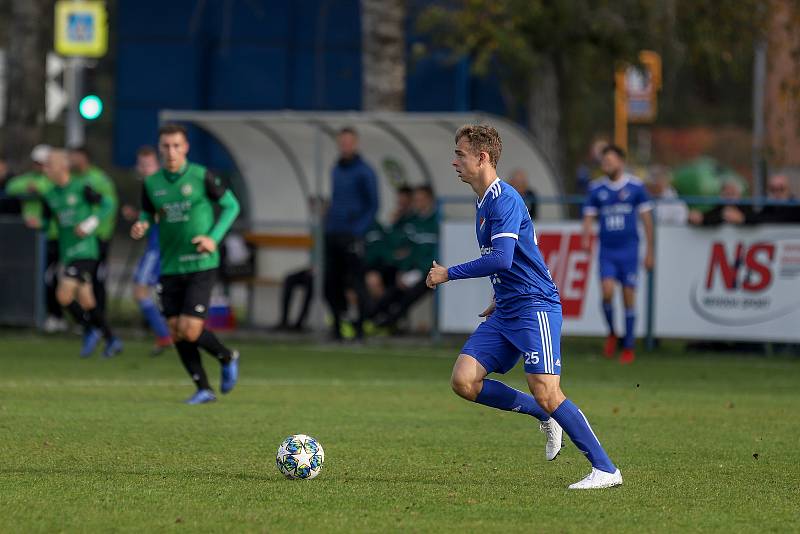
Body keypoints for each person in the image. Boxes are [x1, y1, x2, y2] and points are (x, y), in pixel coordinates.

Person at [427, 124, 622, 490]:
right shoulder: (482, 199)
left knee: (548, 390)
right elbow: (512, 259)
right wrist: (498, 296)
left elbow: (501, 259)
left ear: (482, 157)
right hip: (507, 308)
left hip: (535, 307)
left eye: (460, 154)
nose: (454, 161)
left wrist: (448, 273)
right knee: (464, 381)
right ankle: (543, 416)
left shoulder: (505, 199)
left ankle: (606, 469)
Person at [131, 124, 241, 404]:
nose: (171, 151)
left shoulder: (202, 176)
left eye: (176, 145)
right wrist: (142, 224)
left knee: (190, 328)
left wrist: (213, 238)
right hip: (170, 266)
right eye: (166, 146)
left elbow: (232, 206)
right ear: (160, 148)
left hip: (200, 263)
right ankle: (203, 388)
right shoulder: (152, 183)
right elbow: (147, 211)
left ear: (186, 148)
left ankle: (227, 356)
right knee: (176, 330)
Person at [37, 149, 122, 357]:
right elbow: (47, 222)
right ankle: (111, 339)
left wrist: (90, 223)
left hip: (86, 251)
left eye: (49, 165)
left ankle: (89, 329)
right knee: (87, 301)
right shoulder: (49, 196)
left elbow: (108, 204)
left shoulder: (80, 187)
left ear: (62, 167)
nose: (45, 169)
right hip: (68, 253)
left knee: (63, 295)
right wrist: (39, 224)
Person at [581, 145, 654, 364]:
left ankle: (629, 346)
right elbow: (588, 217)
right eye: (604, 161)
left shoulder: (636, 187)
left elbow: (647, 220)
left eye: (610, 161)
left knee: (629, 297)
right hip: (607, 251)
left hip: (629, 251)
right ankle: (613, 332)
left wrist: (650, 250)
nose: (607, 165)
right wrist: (586, 237)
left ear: (621, 162)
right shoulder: (596, 189)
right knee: (607, 292)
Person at [323, 126, 379, 341]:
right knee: (330, 283)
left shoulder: (365, 170)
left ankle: (361, 328)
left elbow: (373, 205)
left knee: (357, 283)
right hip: (333, 233)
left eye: (348, 142)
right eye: (342, 142)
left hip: (352, 235)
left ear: (355, 144)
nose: (345, 146)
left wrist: (357, 231)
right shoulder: (335, 169)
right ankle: (338, 324)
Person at [5, 144, 67, 333]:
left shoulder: (54, 184)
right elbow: (12, 186)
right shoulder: (30, 180)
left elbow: (50, 192)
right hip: (32, 239)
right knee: (36, 277)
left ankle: (57, 316)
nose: (41, 168)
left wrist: (38, 188)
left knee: (52, 278)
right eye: (39, 164)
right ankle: (37, 315)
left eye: (45, 164)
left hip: (54, 238)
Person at [371, 184, 439, 329]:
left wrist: (419, 272)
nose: (418, 203)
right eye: (416, 200)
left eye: (421, 199)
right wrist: (404, 270)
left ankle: (387, 324)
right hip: (412, 270)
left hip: (430, 271)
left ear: (430, 200)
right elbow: (406, 249)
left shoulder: (438, 221)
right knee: (392, 290)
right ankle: (370, 318)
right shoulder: (412, 222)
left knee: (409, 295)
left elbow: (435, 253)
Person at [129, 146, 172, 354]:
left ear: (157, 164)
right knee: (151, 293)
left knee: (140, 291)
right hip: (156, 247)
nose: (144, 168)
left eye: (148, 164)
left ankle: (165, 335)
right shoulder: (150, 185)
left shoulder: (160, 186)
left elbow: (164, 212)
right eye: (141, 164)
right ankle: (166, 334)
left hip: (159, 249)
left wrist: (143, 218)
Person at [69, 146, 118, 317]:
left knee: (98, 277)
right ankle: (89, 318)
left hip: (99, 238)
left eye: (74, 156)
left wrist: (92, 227)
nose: (71, 159)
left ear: (84, 157)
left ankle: (100, 317)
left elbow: (110, 206)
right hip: (79, 240)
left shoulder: (99, 179)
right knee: (82, 281)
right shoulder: (73, 179)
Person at [687, 179, 752, 226]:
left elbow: (757, 218)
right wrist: (700, 219)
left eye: (732, 194)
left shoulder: (746, 208)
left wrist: (743, 219)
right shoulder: (718, 208)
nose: (729, 198)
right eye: (726, 194)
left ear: (739, 195)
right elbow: (709, 217)